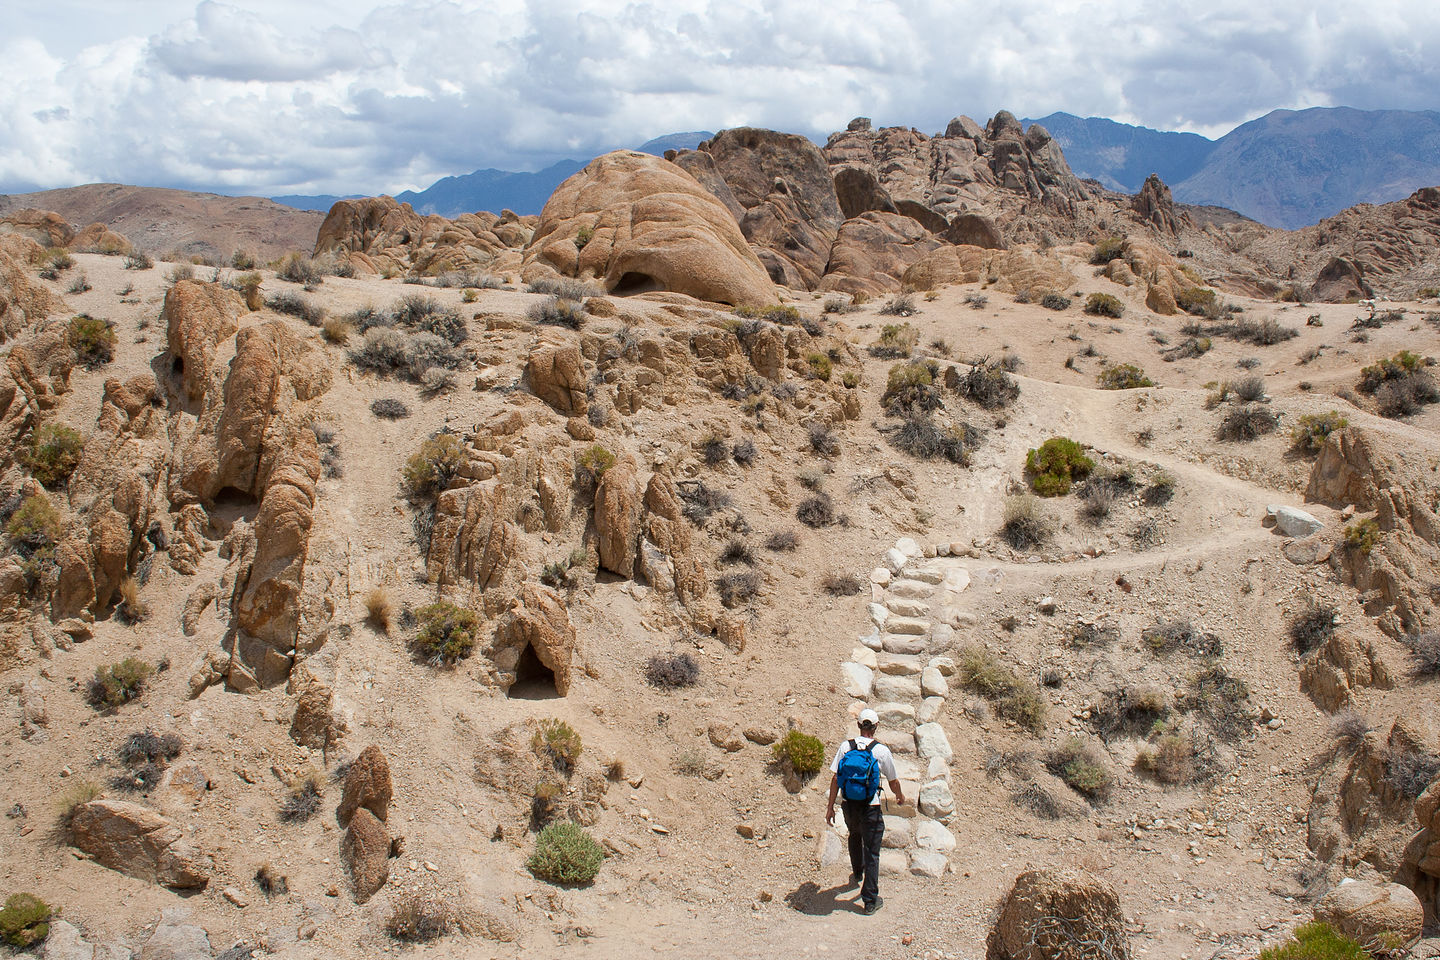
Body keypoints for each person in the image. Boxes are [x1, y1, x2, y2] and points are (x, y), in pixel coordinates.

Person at [824, 708, 906, 914]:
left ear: (859, 725)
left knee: (854, 834)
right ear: (876, 726)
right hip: (871, 805)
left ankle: (857, 872)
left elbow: (835, 778)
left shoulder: (846, 746)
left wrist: (830, 807)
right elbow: (893, 780)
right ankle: (870, 901)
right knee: (872, 850)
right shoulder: (881, 751)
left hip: (849, 803)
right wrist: (899, 795)